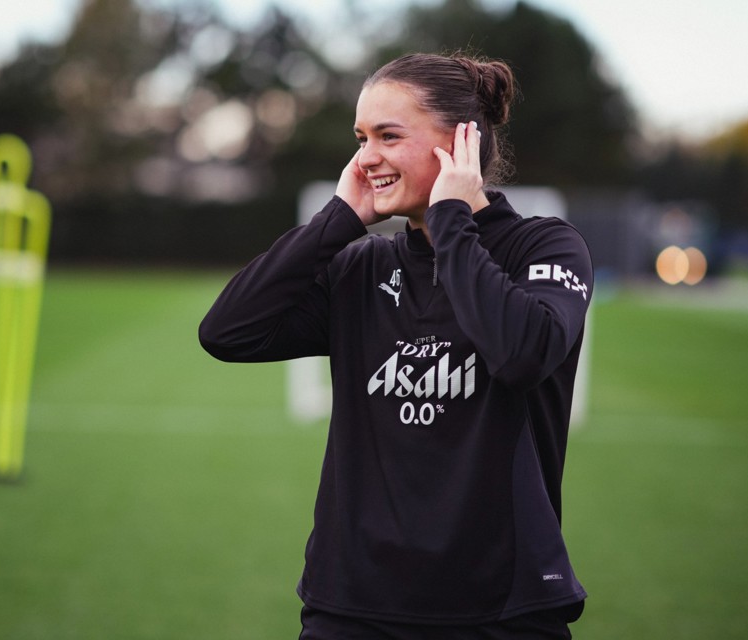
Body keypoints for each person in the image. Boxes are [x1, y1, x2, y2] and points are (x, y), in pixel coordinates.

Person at [199, 51, 593, 639]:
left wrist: (452, 218)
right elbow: (227, 331)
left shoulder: (545, 249)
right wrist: (337, 220)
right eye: (361, 139)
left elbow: (521, 352)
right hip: (352, 606)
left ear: (461, 143)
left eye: (388, 136)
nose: (366, 157)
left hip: (500, 609)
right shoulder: (361, 266)